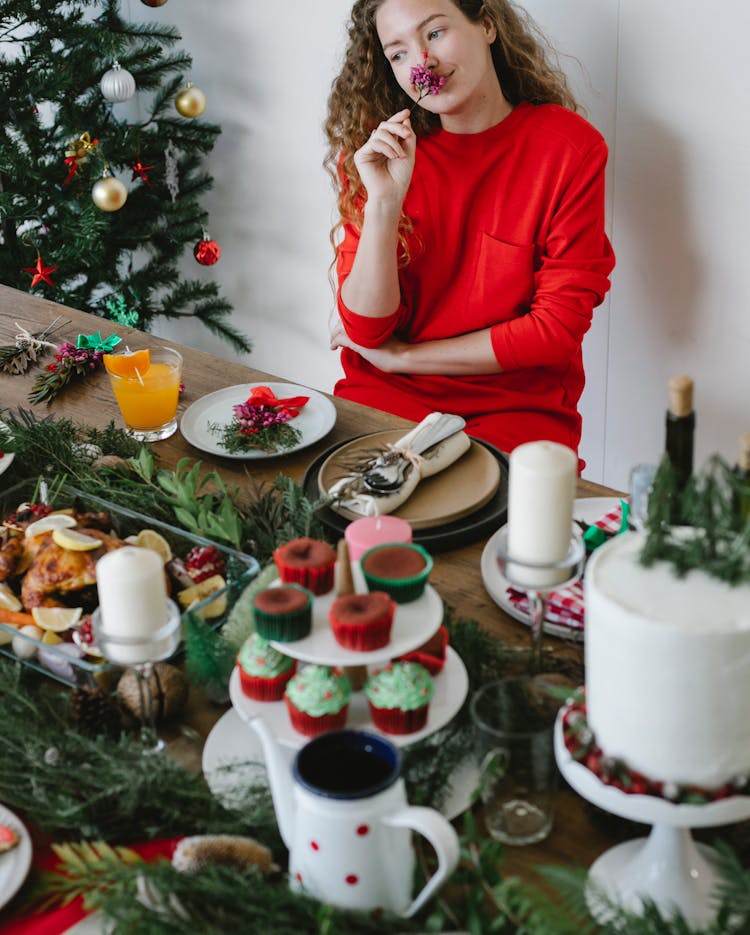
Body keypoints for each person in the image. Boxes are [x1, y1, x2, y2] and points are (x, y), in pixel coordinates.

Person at [325, 0, 615, 471]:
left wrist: (403, 358)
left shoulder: (569, 150)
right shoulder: (376, 154)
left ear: (487, 25)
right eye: (397, 54)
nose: (422, 63)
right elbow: (365, 330)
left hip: (516, 409)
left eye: (435, 33)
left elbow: (553, 332)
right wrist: (384, 202)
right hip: (385, 397)